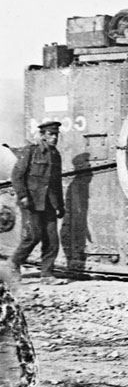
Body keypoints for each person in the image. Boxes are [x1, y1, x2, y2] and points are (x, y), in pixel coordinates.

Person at [6, 120, 67, 285]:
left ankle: (47, 274)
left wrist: (60, 205)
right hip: (31, 201)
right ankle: (14, 263)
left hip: (49, 203)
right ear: (42, 135)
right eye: (51, 134)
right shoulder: (30, 151)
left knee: (52, 239)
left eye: (56, 134)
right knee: (33, 236)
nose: (54, 138)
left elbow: (55, 183)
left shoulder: (55, 155)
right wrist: (23, 196)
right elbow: (17, 175)